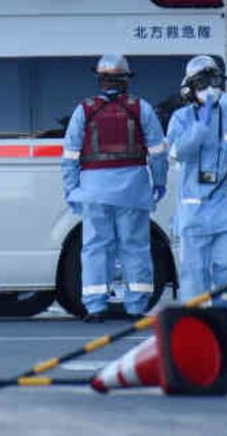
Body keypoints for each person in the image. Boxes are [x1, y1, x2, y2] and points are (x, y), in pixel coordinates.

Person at [61, 54, 168, 322]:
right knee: (135, 247)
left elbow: (70, 156)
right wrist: (159, 182)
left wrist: (72, 189)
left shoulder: (84, 110)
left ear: (100, 81)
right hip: (133, 190)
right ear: (126, 82)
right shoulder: (140, 108)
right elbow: (157, 153)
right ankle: (136, 306)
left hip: (94, 190)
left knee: (96, 247)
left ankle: (95, 307)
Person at [166, 56, 227, 325]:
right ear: (191, 87)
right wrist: (202, 125)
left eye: (215, 81)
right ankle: (195, 313)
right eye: (203, 82)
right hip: (195, 207)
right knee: (194, 269)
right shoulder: (181, 119)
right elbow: (177, 152)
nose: (211, 88)